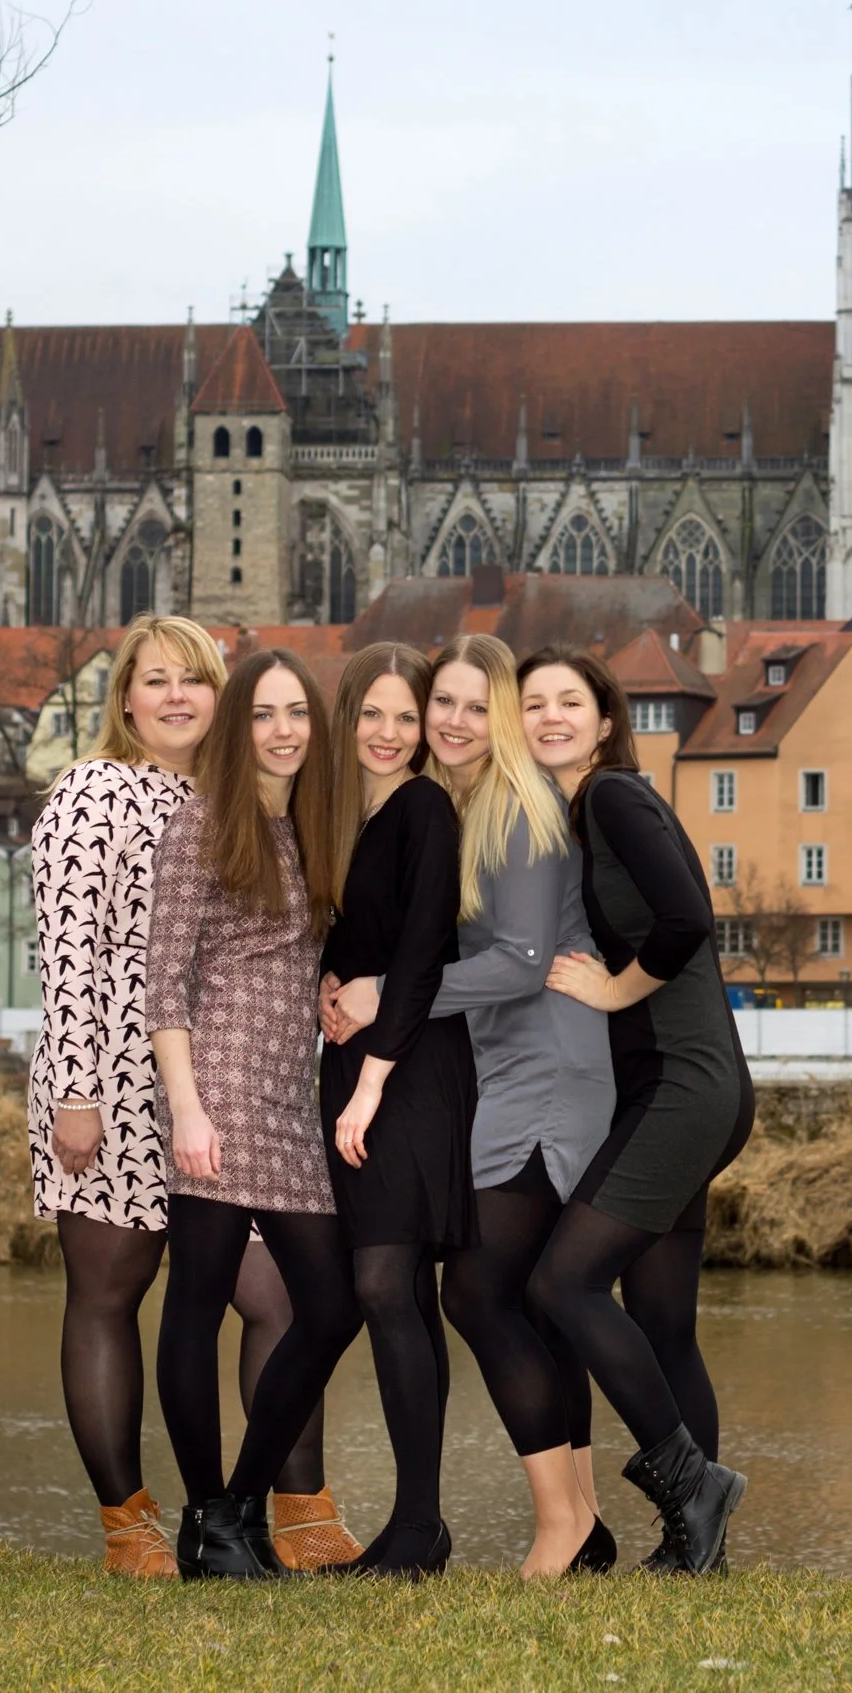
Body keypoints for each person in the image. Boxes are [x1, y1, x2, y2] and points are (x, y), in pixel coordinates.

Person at [28, 615, 354, 1576]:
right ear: (123, 696)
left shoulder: (238, 797)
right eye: (155, 679)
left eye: (195, 680)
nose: (176, 696)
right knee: (109, 1292)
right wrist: (79, 1093)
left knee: (281, 1297)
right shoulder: (93, 792)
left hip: (225, 1088)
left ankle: (288, 1507)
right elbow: (70, 955)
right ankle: (127, 1521)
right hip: (116, 1082)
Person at [322, 635, 617, 1577]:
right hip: (511, 1075)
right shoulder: (468, 805)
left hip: (547, 1075)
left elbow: (521, 963)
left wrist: (389, 999)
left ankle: (561, 1525)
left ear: (497, 713)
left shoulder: (519, 811)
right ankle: (585, 1519)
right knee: (517, 1295)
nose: (447, 722)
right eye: (435, 704)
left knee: (481, 1290)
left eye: (464, 705)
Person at [520, 648, 755, 1576]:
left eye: (568, 701)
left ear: (606, 718)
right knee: (662, 1323)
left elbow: (688, 917)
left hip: (682, 1087)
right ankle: (695, 1548)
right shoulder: (588, 810)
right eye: (533, 702)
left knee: (559, 1285)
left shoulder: (613, 798)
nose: (549, 716)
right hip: (695, 1087)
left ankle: (691, 1484)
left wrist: (615, 992)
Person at [148, 648, 362, 1581]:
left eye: (296, 713)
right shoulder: (202, 821)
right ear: (238, 729)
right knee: (195, 1304)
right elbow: (163, 983)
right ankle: (208, 1518)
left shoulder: (312, 828)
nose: (282, 730)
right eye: (263, 714)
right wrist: (185, 1108)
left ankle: (235, 1504)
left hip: (290, 1095)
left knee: (330, 1306)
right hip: (221, 1089)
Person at [316, 642, 477, 1580]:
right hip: (351, 1061)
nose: (387, 733)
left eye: (404, 718)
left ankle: (418, 1524)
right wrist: (320, 989)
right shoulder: (339, 813)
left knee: (384, 1282)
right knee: (401, 1290)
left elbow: (421, 952)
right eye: (371, 715)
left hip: (411, 1066)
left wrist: (374, 1077)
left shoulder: (423, 807)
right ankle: (416, 1527)